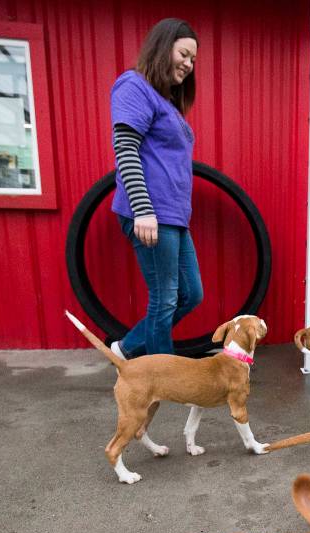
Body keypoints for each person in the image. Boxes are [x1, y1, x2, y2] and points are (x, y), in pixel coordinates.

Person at [109, 18, 202, 359]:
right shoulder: (134, 86)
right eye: (184, 53)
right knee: (164, 298)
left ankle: (127, 348)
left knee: (191, 294)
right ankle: (163, 377)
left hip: (174, 217)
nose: (188, 65)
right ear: (163, 47)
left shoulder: (168, 103)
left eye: (193, 60)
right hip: (151, 213)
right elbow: (126, 147)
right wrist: (143, 209)